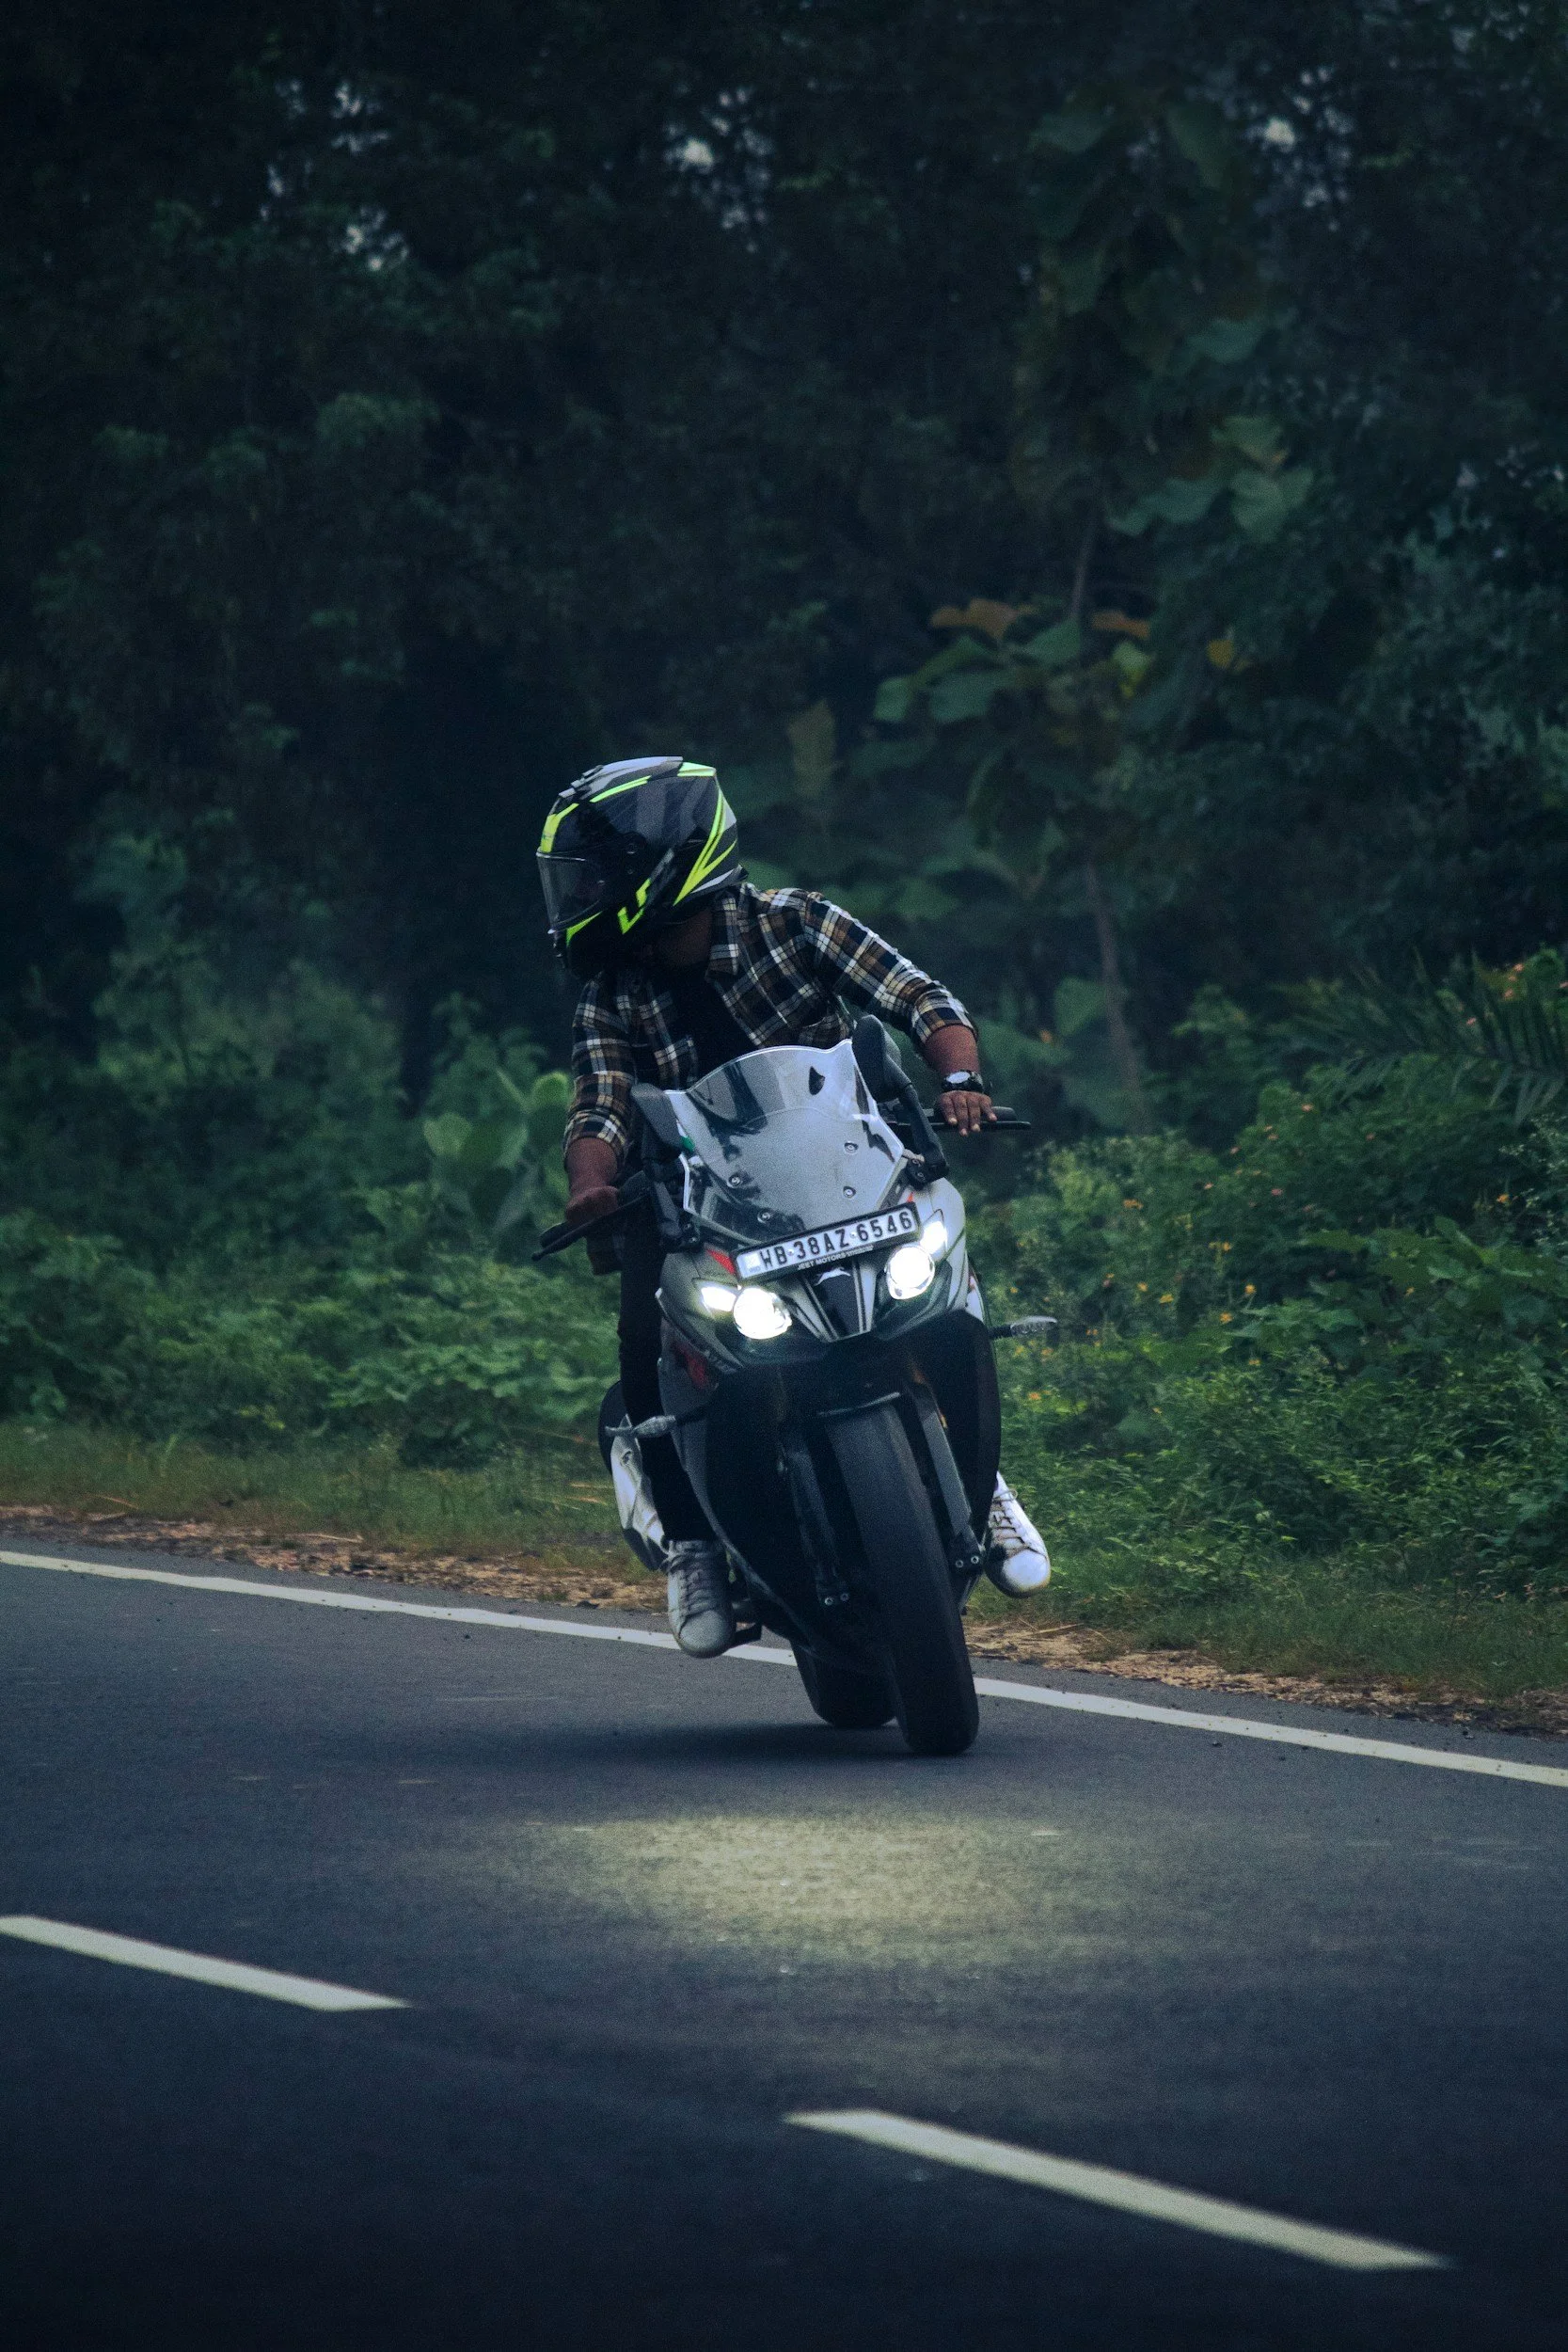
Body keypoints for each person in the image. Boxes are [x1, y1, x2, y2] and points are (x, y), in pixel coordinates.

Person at [537, 753, 1052, 1655]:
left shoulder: (795, 922)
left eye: (591, 878)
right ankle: (696, 1543)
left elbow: (917, 997)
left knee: (944, 1296)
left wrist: (961, 1078)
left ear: (664, 861)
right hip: (704, 1214)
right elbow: (599, 1105)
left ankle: (986, 1486)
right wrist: (591, 1183)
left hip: (858, 1181)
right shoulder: (609, 994)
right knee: (642, 1347)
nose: (575, 897)